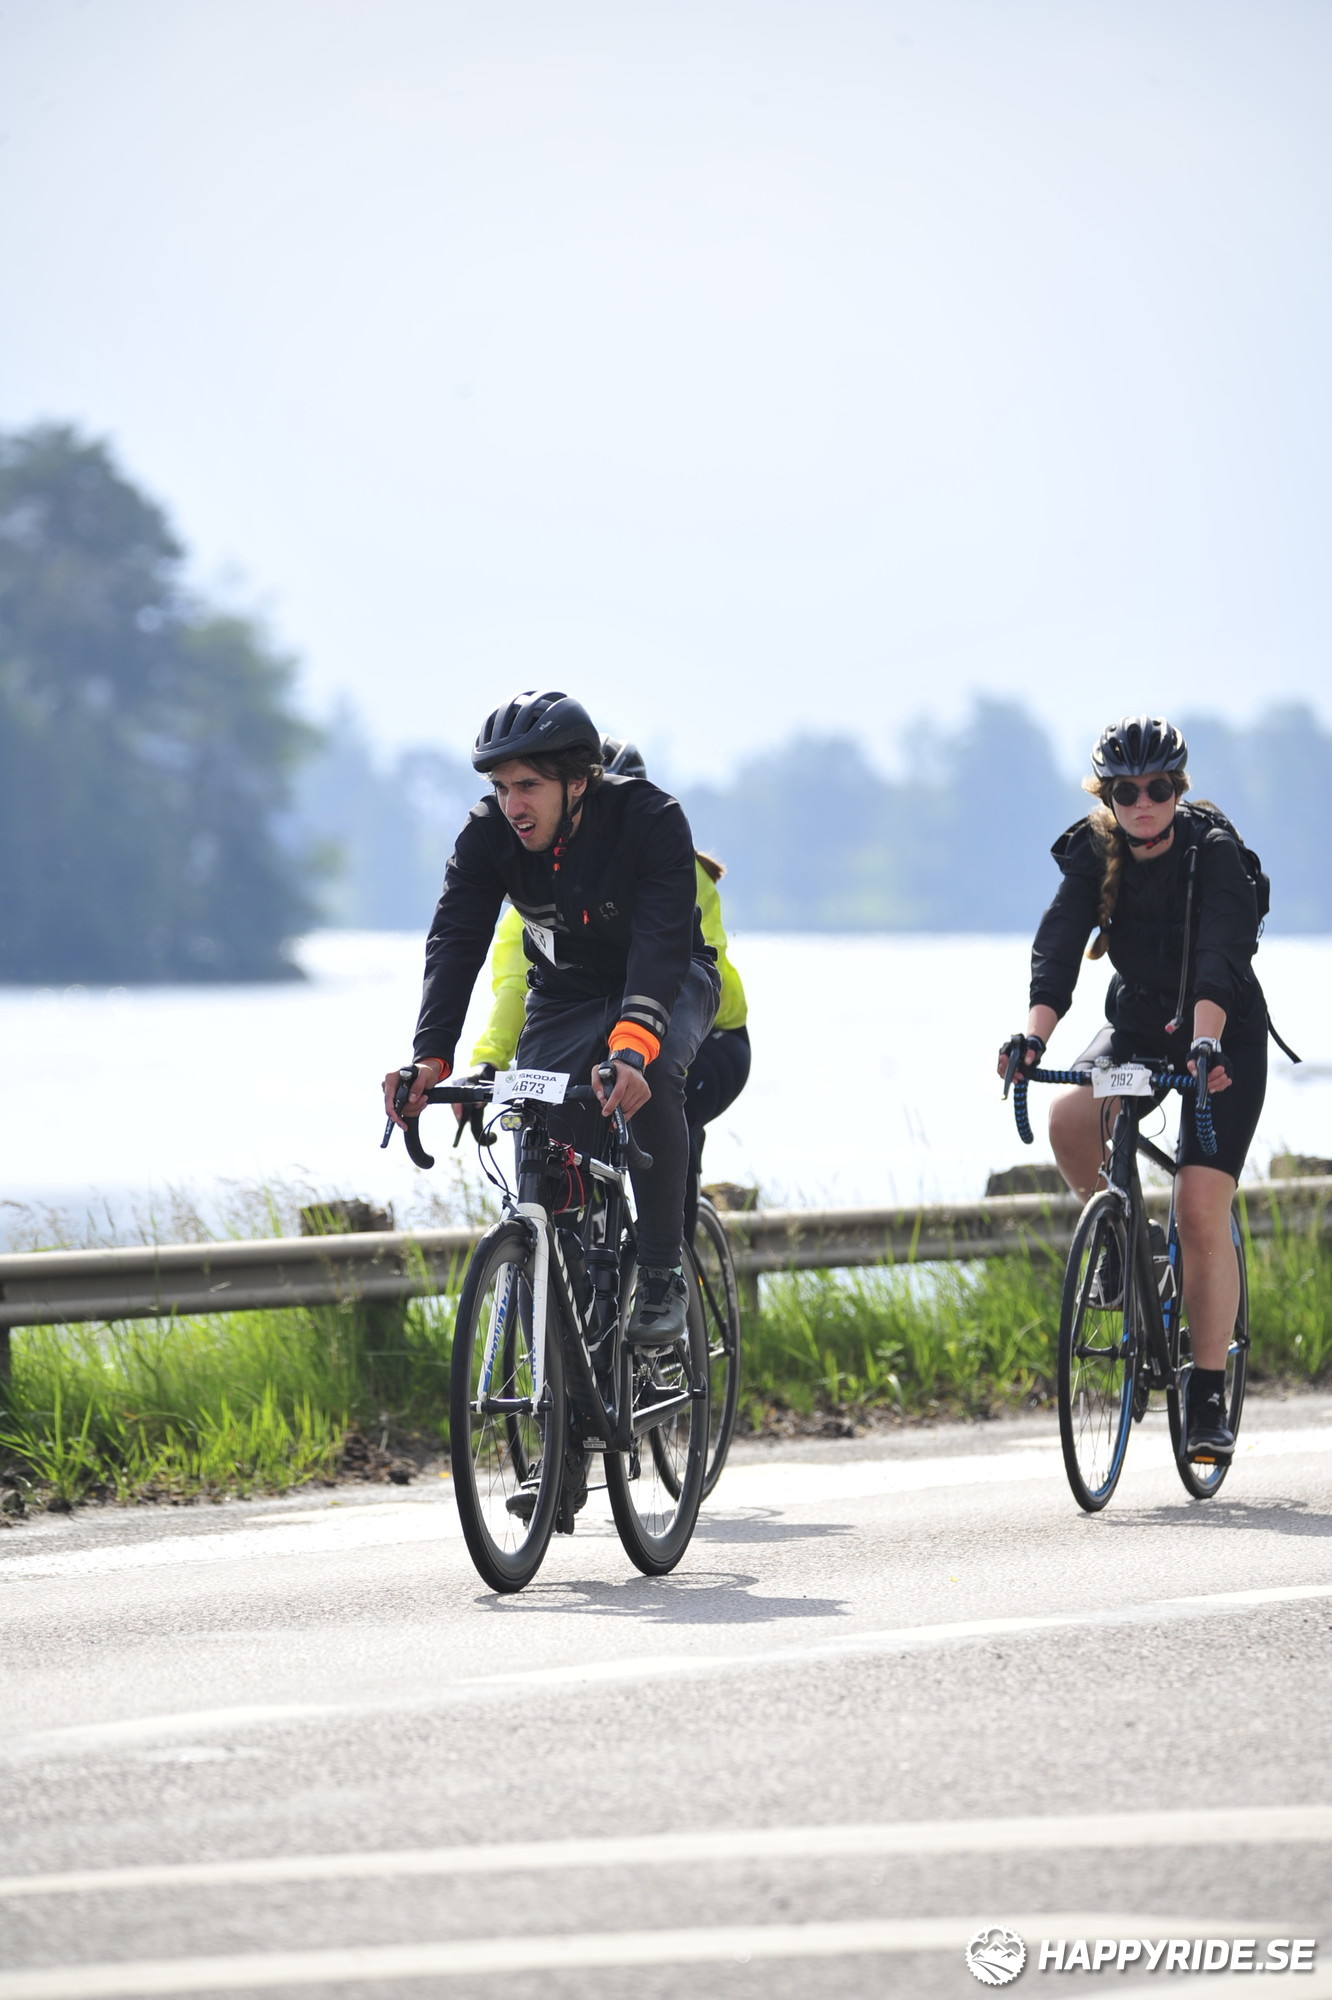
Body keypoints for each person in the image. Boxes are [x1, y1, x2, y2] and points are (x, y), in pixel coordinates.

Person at [383, 691, 720, 1344]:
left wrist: (632, 1047)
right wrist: (431, 1056)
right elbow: (456, 939)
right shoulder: (489, 832)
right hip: (564, 995)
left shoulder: (648, 818)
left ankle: (660, 1273)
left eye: (529, 786)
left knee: (649, 1078)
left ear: (578, 781)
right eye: (502, 787)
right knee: (540, 1123)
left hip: (669, 979)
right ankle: (558, 1282)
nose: (512, 805)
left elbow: (659, 949)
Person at [998, 715, 1268, 1461]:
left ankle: (1206, 1393)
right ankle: (1125, 1237)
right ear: (1108, 797)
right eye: (1126, 792)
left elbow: (1220, 956)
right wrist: (1033, 1038)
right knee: (1069, 1121)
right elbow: (1059, 945)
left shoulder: (1212, 852)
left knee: (1199, 1206)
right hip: (1142, 1027)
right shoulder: (1097, 850)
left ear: (1177, 789)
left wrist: (1206, 1040)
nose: (1142, 803)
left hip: (1221, 1034)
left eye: (1156, 789)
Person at [463, 735, 750, 1247]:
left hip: (707, 1037)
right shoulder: (542, 887)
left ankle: (670, 1267)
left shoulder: (679, 865)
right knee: (564, 1132)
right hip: (597, 1018)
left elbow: (686, 967)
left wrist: (639, 1033)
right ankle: (569, 1265)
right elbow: (513, 989)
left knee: (661, 1101)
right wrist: (487, 1061)